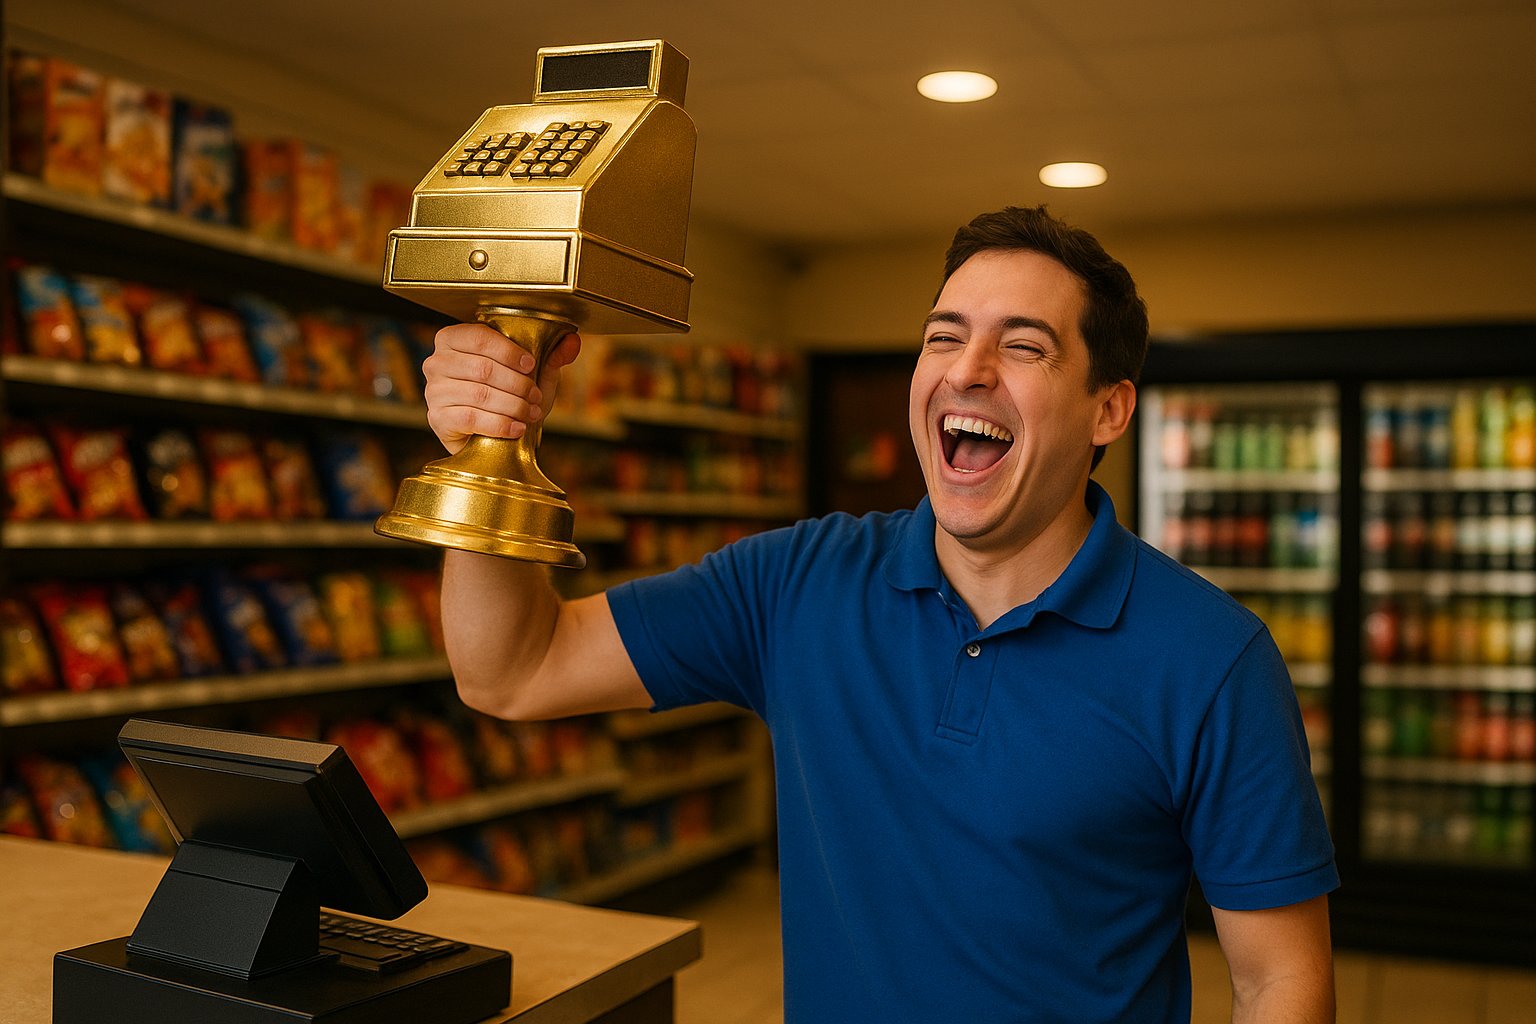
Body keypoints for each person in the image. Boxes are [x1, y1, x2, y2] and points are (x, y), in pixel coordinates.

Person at [422, 205, 1339, 1024]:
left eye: (1024, 347)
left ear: (1109, 410)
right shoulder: (795, 582)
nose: (968, 370)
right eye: (944, 337)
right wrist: (492, 448)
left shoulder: (1213, 660)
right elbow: (511, 669)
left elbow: (1280, 981)